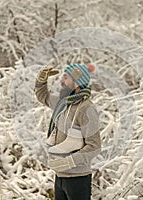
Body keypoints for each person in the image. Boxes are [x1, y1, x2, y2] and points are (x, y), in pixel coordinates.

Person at [35, 63, 101, 200]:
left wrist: (69, 162)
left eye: (66, 77)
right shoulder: (63, 103)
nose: (61, 81)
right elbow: (43, 97)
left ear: (77, 81)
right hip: (60, 176)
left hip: (78, 179)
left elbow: (94, 146)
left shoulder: (86, 109)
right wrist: (41, 81)